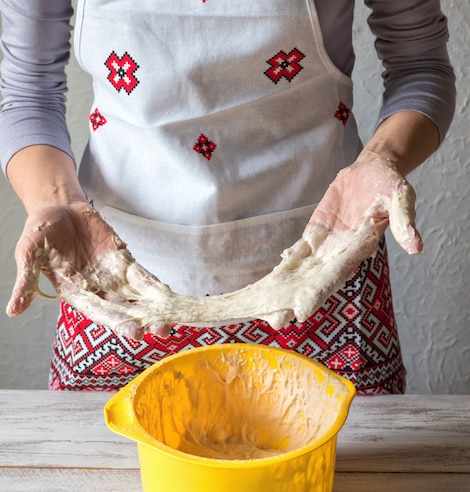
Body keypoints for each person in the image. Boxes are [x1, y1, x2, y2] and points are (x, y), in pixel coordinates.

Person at [0, 0, 455, 393]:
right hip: (111, 280)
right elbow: (26, 90)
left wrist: (382, 159)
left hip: (325, 267)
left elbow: (421, 65)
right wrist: (53, 200)